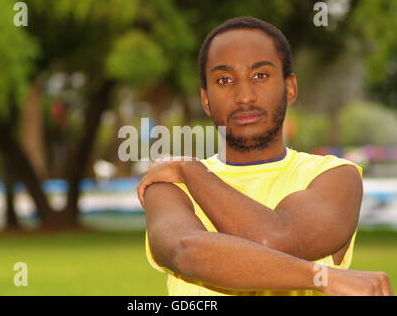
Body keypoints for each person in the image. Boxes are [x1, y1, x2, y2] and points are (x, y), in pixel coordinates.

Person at [137, 17, 393, 296]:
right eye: (224, 80)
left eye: (260, 75)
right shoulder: (171, 184)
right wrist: (321, 278)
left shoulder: (334, 176)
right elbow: (188, 252)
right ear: (206, 100)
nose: (244, 97)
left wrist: (191, 171)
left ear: (290, 88)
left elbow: (274, 238)